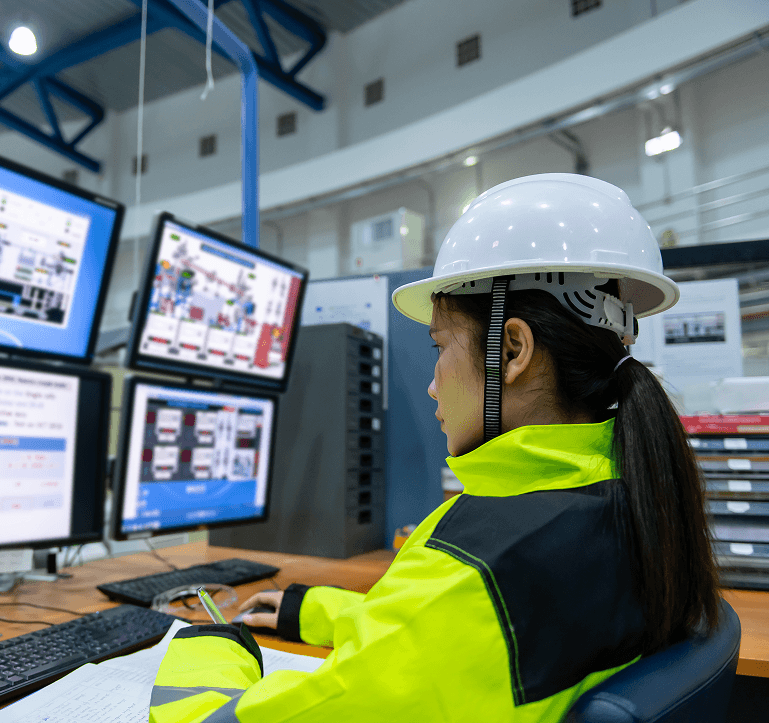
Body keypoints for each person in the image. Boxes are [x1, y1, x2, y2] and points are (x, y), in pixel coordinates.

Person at [148, 173, 721, 723]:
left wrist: (209, 646)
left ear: (512, 349)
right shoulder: (623, 493)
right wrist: (317, 610)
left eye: (441, 345)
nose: (431, 383)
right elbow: (446, 639)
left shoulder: (478, 570)